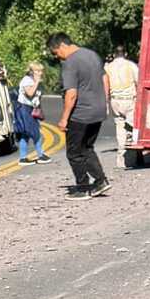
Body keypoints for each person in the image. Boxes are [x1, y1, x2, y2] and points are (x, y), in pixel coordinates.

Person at [47, 33, 109, 200]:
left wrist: (64, 118)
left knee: (74, 152)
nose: (57, 57)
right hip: (98, 110)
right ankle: (100, 181)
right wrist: (105, 101)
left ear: (61, 46)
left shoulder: (70, 63)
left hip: (80, 113)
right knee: (87, 148)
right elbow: (105, 78)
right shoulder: (92, 55)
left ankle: (82, 188)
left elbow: (71, 94)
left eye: (55, 53)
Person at [104, 45, 140, 169]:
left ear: (114, 54)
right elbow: (138, 82)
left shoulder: (108, 67)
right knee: (132, 128)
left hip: (115, 101)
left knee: (120, 128)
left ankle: (120, 160)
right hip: (129, 100)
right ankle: (131, 158)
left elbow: (105, 84)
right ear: (125, 54)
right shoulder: (131, 66)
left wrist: (106, 102)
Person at [14, 62, 52, 166]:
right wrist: (36, 82)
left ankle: (23, 158)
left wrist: (39, 109)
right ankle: (41, 155)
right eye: (37, 71)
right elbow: (30, 93)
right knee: (34, 132)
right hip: (24, 108)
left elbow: (37, 97)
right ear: (31, 71)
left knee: (25, 134)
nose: (40, 73)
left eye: (41, 71)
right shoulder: (27, 80)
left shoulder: (38, 82)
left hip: (32, 108)